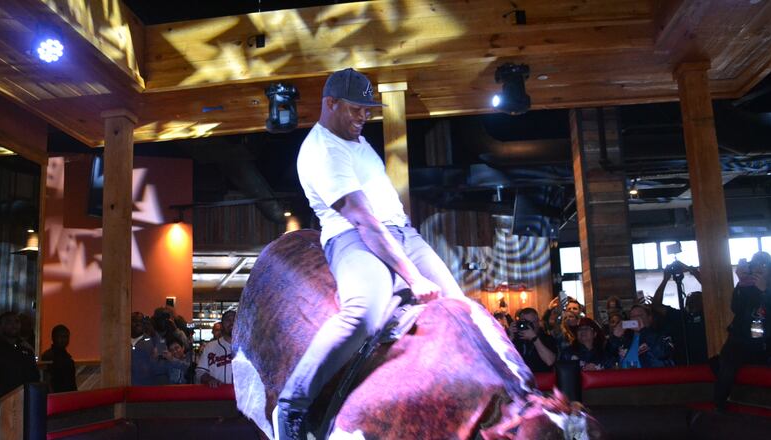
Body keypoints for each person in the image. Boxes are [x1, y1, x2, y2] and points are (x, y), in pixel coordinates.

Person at [280, 67, 467, 439]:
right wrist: (413, 278)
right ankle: (292, 405)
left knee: (460, 307)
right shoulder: (322, 151)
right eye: (356, 109)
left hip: (400, 232)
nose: (365, 117)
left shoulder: (355, 138)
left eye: (368, 110)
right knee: (363, 314)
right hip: (351, 236)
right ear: (330, 104)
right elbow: (365, 222)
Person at [714, 251, 771, 411]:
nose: (759, 268)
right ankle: (719, 408)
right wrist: (741, 282)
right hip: (742, 341)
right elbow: (736, 308)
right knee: (725, 362)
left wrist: (765, 291)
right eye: (755, 264)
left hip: (766, 343)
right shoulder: (747, 286)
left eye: (764, 265)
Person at [0, 312, 40, 440]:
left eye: (16, 322)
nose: (14, 325)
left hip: (23, 408)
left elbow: (34, 377)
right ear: (0, 325)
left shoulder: (25, 350)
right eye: (9, 322)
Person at [651, 262, 707, 365]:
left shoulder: (707, 315)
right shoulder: (678, 316)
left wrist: (694, 272)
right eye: (690, 298)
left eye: (697, 298)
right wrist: (665, 279)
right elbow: (656, 305)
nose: (692, 299)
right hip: (682, 364)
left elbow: (710, 290)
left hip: (705, 363)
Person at [607, 304, 674, 368]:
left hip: (650, 378)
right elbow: (608, 361)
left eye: (639, 315)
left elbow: (663, 353)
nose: (635, 318)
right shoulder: (626, 338)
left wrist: (644, 330)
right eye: (632, 316)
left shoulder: (660, 334)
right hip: (626, 378)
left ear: (649, 318)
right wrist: (615, 338)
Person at [509, 308, 557, 373]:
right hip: (520, 379)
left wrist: (534, 338)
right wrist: (510, 337)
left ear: (538, 322)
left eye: (531, 323)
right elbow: (500, 362)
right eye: (524, 322)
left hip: (541, 380)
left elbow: (550, 361)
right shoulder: (515, 339)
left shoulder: (547, 338)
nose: (528, 325)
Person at [196, 309, 235, 387]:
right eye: (228, 320)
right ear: (222, 325)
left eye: (235, 319)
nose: (232, 322)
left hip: (245, 396)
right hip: (217, 394)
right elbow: (200, 371)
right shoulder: (210, 346)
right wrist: (209, 379)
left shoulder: (250, 347)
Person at [40, 324, 77, 393]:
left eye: (66, 337)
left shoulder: (68, 357)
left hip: (68, 395)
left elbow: (72, 381)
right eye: (60, 336)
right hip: (56, 396)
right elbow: (46, 380)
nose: (64, 339)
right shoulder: (48, 356)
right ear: (53, 338)